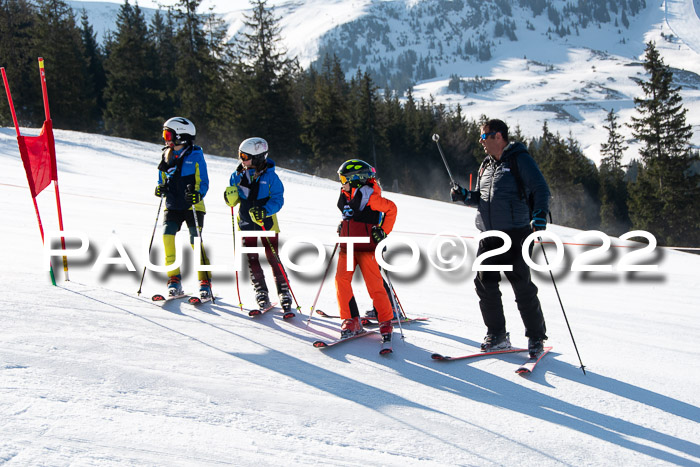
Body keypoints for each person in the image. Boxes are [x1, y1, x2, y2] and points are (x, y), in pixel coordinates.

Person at [450, 119, 550, 358]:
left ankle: (536, 337)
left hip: (516, 233)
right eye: (481, 137)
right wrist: (465, 195)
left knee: (521, 285)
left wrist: (538, 217)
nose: (481, 141)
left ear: (499, 136)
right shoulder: (486, 165)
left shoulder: (519, 159)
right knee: (484, 283)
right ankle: (497, 334)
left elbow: (540, 189)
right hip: (490, 235)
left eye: (485, 136)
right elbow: (483, 199)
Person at [224, 137, 293, 315]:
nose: (242, 160)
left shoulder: (271, 176)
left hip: (267, 222)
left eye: (245, 156)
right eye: (240, 156)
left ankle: (284, 290)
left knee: (272, 256)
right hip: (246, 221)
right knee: (251, 257)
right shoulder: (237, 175)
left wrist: (266, 210)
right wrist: (230, 198)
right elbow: (234, 197)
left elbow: (278, 199)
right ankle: (261, 290)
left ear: (257, 157)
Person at [335, 159, 397, 343]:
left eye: (343, 178)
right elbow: (349, 215)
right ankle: (350, 320)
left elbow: (392, 209)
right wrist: (342, 225)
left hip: (366, 247)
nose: (341, 182)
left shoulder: (370, 196)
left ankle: (385, 321)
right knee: (341, 280)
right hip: (347, 245)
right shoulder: (347, 195)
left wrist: (383, 230)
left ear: (355, 179)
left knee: (374, 285)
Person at [155, 117, 211, 299]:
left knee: (195, 240)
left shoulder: (196, 155)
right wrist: (160, 188)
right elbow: (161, 180)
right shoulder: (166, 155)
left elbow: (203, 182)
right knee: (166, 236)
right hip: (172, 204)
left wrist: (198, 193)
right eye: (164, 134)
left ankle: (205, 281)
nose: (165, 138)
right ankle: (174, 280)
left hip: (193, 204)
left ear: (181, 136)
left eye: (168, 134)